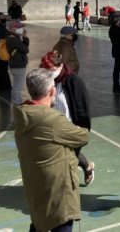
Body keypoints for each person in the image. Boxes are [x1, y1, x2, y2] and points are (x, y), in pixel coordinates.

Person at [14, 68, 89, 232]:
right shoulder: (52, 120)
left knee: (38, 223)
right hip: (58, 193)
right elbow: (83, 136)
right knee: (61, 224)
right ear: (51, 91)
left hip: (36, 185)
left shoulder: (23, 115)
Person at [40, 51, 96, 186]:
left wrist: (82, 130)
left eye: (50, 71)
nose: (48, 74)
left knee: (67, 158)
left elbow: (82, 107)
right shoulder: (47, 82)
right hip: (54, 127)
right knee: (65, 156)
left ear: (59, 67)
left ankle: (67, 187)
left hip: (71, 128)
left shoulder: (73, 81)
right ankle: (87, 166)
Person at [6, 21, 29, 105]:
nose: (21, 29)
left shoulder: (14, 38)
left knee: (17, 85)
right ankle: (17, 102)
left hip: (15, 64)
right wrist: (25, 37)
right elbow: (26, 49)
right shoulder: (13, 39)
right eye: (19, 28)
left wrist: (24, 38)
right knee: (17, 86)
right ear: (13, 29)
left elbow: (25, 47)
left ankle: (18, 101)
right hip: (18, 64)